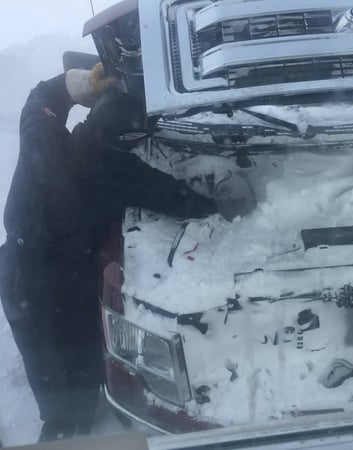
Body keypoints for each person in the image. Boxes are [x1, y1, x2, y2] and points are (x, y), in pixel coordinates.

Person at [0, 64, 255, 441]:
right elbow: (176, 197)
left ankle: (62, 419)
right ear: (127, 141)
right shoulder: (118, 172)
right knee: (74, 380)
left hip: (15, 272)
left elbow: (42, 97)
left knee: (46, 365)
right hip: (61, 285)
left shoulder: (44, 134)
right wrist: (224, 203)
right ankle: (70, 426)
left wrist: (82, 83)